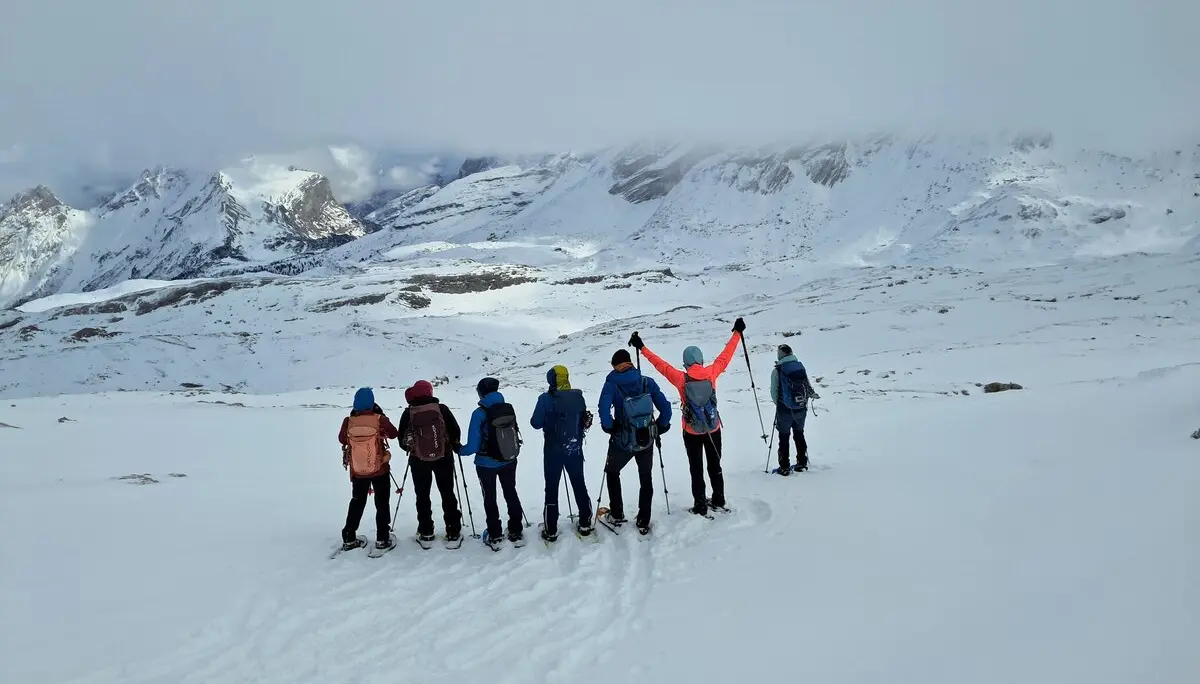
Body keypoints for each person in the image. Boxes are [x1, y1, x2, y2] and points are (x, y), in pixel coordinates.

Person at [630, 317, 745, 516]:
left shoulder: (681, 378)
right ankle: (718, 498)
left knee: (696, 468)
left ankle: (700, 504)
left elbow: (660, 365)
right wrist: (737, 333)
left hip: (691, 430)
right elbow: (726, 355)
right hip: (713, 427)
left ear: (686, 363)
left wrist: (642, 348)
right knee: (714, 464)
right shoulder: (712, 372)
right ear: (700, 360)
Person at [597, 349, 672, 535]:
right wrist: (660, 426)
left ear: (616, 366)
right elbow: (666, 408)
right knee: (646, 477)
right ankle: (643, 520)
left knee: (612, 472)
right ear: (630, 363)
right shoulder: (646, 382)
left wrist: (610, 427)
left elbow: (603, 409)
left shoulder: (611, 385)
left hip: (622, 440)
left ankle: (617, 513)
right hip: (646, 438)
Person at [530, 365, 594, 542]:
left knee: (551, 487)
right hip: (574, 448)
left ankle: (551, 528)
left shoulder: (545, 399)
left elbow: (535, 423)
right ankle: (585, 522)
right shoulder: (578, 396)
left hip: (553, 450)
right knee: (579, 483)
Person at [460, 377, 526, 549]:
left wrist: (460, 450)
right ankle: (516, 531)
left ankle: (495, 535)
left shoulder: (479, 413)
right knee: (511, 492)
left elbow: (473, 446)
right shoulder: (507, 408)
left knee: (490, 498)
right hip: (509, 459)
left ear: (481, 392)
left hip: (486, 464)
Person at [396, 380, 463, 547]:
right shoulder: (442, 409)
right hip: (444, 457)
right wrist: (453, 445)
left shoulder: (409, 412)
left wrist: (413, 448)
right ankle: (453, 530)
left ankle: (426, 531)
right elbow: (455, 430)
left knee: (422, 495)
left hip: (418, 460)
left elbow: (402, 440)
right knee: (447, 492)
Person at [338, 387, 400, 551]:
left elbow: (342, 439)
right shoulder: (379, 419)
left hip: (358, 471)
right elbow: (394, 433)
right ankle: (382, 539)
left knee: (357, 502)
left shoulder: (348, 421)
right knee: (382, 502)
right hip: (380, 469)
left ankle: (349, 537)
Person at [771, 344, 819, 474]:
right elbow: (807, 385)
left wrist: (779, 404)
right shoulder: (800, 367)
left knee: (784, 437)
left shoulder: (778, 370)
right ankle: (802, 462)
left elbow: (774, 392)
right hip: (801, 407)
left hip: (784, 409)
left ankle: (784, 466)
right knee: (799, 434)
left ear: (780, 355)